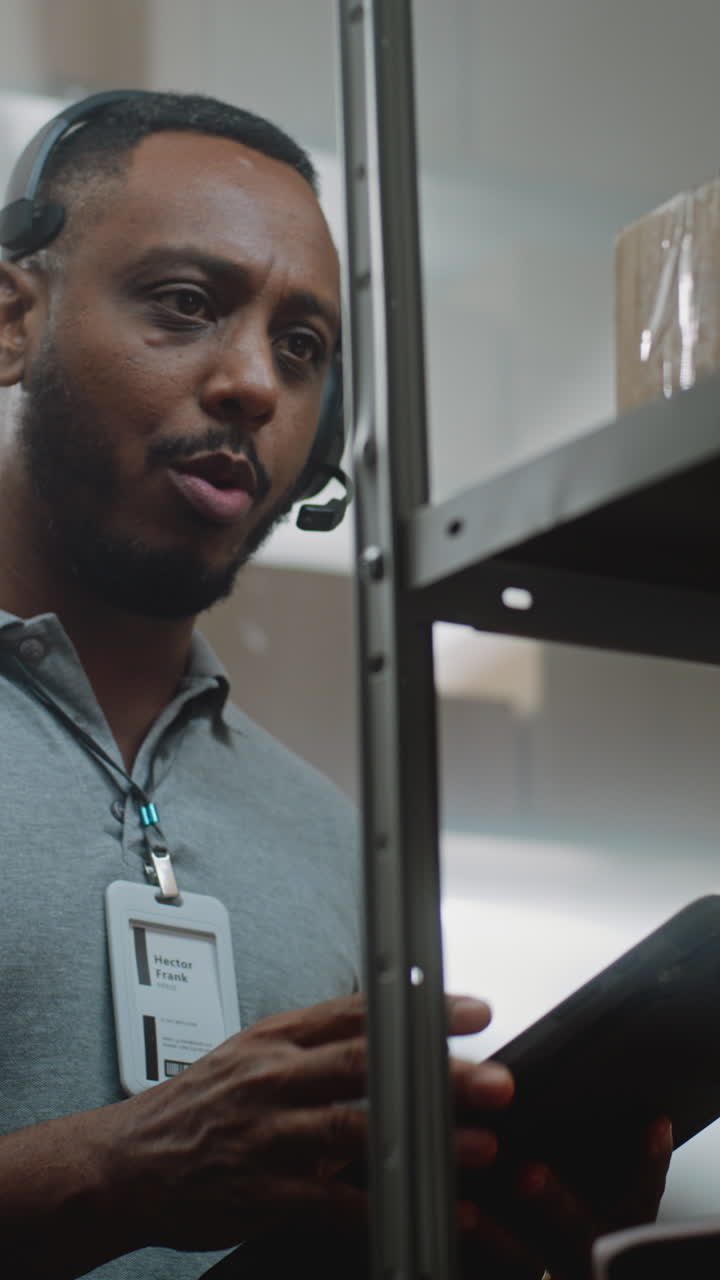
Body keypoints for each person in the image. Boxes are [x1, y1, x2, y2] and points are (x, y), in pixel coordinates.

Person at [0, 91, 670, 1280]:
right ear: (12, 320)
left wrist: (482, 1223)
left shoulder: (330, 839)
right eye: (187, 304)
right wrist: (114, 1169)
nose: (254, 383)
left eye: (302, 347)